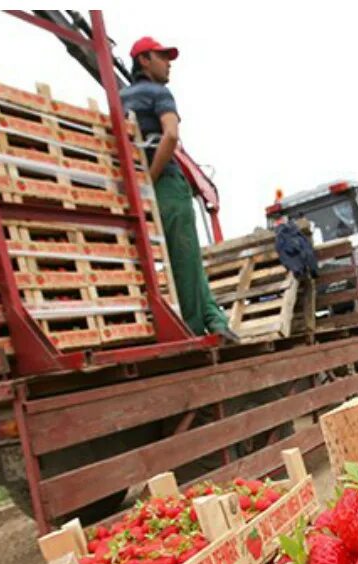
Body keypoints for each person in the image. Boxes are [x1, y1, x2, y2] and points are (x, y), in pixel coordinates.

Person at [121, 37, 237, 342]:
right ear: (144, 60)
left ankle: (214, 319)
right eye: (162, 57)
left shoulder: (119, 98)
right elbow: (170, 135)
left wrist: (140, 182)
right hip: (165, 184)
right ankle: (195, 329)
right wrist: (153, 176)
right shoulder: (160, 93)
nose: (168, 63)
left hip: (134, 188)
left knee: (165, 260)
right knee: (185, 259)